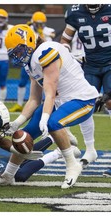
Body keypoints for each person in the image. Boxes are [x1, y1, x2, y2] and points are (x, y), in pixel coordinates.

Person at [0, 24, 99, 189]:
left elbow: (50, 92)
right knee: (25, 134)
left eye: (20, 50)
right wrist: (18, 122)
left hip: (81, 100)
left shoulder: (45, 51)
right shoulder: (30, 62)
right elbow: (34, 99)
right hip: (60, 102)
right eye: (14, 53)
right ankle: (8, 175)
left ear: (30, 41)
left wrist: (45, 118)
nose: (18, 55)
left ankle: (73, 165)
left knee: (53, 124)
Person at [60, 4, 111, 170]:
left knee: (110, 103)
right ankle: (90, 150)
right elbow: (65, 40)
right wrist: (68, 54)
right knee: (85, 104)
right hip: (90, 66)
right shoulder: (75, 12)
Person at [9, 11, 56, 112]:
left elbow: (49, 38)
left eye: (41, 24)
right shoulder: (29, 30)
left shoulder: (49, 31)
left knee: (45, 84)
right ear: (33, 22)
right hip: (29, 60)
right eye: (37, 23)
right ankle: (19, 104)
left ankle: (46, 103)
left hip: (44, 62)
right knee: (22, 82)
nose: (39, 26)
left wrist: (40, 32)